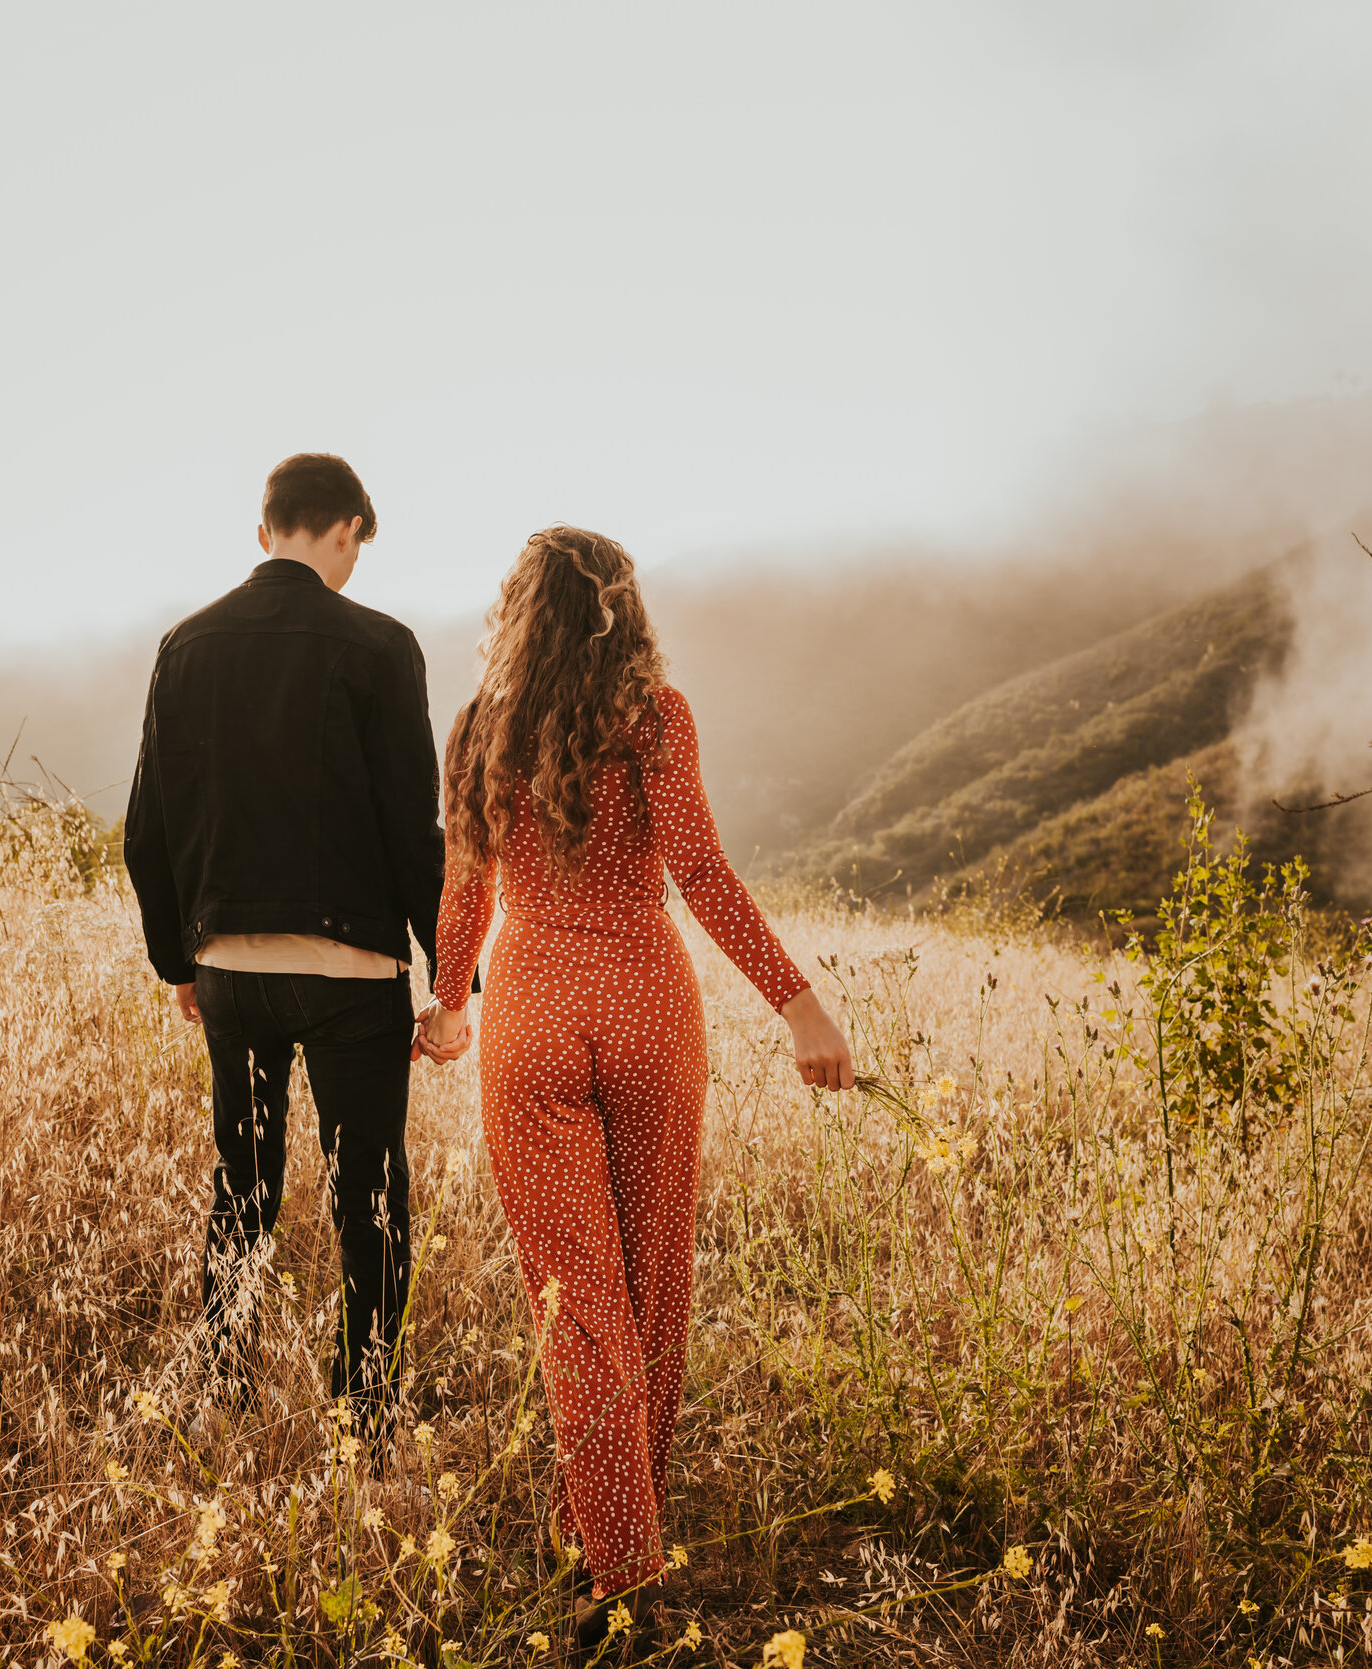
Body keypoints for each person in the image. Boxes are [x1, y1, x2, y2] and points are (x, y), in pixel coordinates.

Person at [420, 526, 853, 1652]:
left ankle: (607, 1553)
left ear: (517, 609)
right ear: (624, 608)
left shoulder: (477, 728)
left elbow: (463, 875)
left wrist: (450, 997)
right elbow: (700, 868)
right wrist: (798, 1004)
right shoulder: (654, 715)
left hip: (528, 1014)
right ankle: (621, 1561)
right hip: (649, 1006)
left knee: (574, 1308)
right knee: (650, 1287)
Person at [123, 453, 463, 1426]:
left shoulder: (185, 644)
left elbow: (149, 824)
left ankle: (222, 1383)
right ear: (349, 526)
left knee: (244, 1178)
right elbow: (412, 829)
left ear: (264, 527)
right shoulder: (381, 644)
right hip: (350, 969)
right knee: (370, 1193)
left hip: (227, 965)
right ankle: (363, 1412)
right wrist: (452, 978)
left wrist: (176, 957)